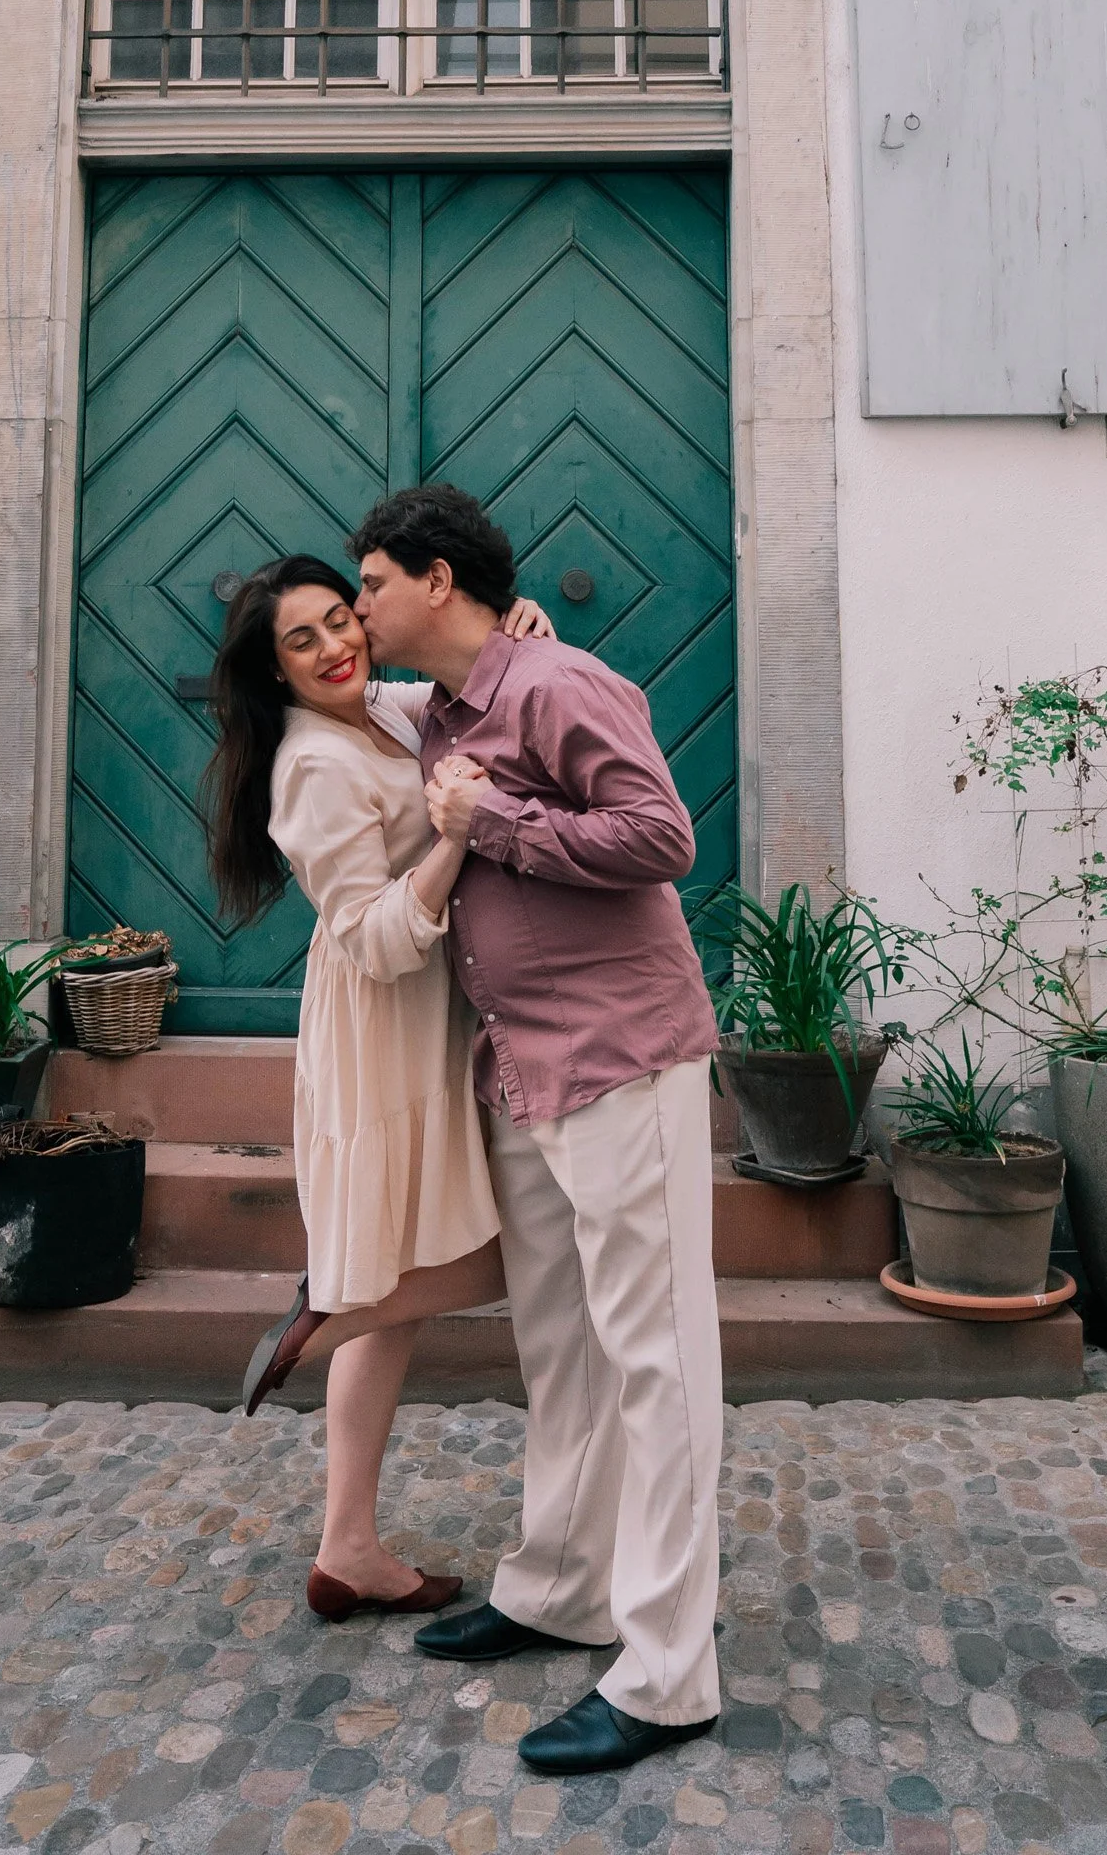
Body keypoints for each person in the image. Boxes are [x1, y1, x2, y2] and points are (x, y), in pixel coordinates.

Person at [349, 482, 723, 1779]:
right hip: (526, 1071)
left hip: (623, 1062)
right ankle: (562, 1585)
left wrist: (490, 820)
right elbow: (321, 696)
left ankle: (670, 1674)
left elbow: (661, 836)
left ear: (436, 581)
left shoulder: (559, 689)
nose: (361, 608)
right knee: (562, 1348)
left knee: (659, 1366)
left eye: (375, 585)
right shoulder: (445, 707)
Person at [204, 555, 550, 1623]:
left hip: (432, 1018)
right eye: (298, 643)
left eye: (334, 619)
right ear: (273, 675)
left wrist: (511, 637)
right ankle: (329, 1312)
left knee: (396, 1286)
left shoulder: (384, 711)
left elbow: (462, 698)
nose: (331, 647)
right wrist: (451, 842)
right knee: (494, 1251)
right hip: (382, 1030)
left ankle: (346, 1544)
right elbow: (373, 938)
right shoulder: (310, 765)